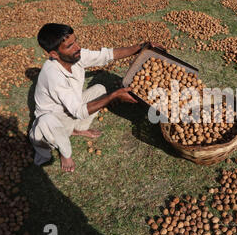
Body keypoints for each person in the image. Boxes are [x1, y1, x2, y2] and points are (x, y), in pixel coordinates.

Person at [29, 23, 162, 172]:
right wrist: (114, 96)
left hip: (71, 110)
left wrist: (141, 47)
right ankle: (65, 153)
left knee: (99, 89)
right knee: (47, 121)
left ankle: (76, 130)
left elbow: (106, 55)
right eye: (70, 46)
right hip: (52, 124)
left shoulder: (74, 56)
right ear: (54, 54)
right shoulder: (53, 76)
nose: (77, 47)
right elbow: (79, 111)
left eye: (76, 41)